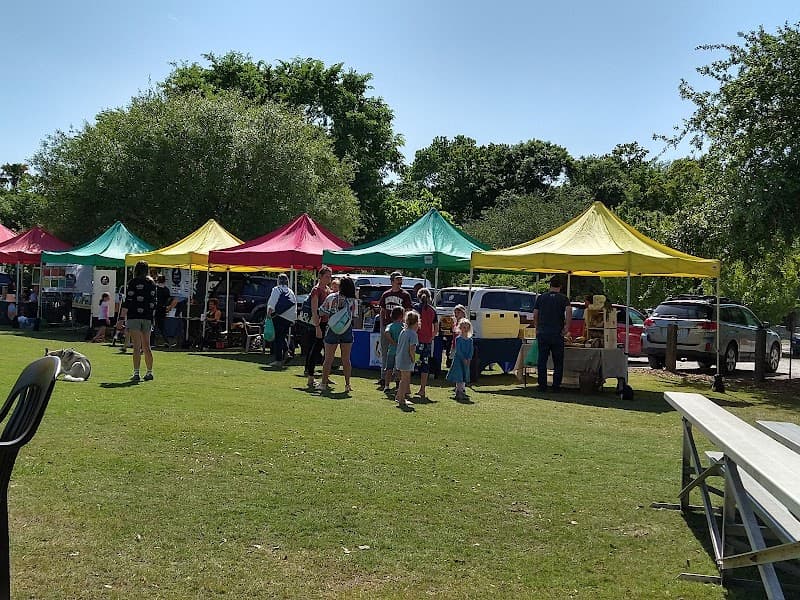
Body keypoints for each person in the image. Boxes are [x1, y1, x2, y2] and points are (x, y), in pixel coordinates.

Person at [119, 260, 157, 382]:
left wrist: (120, 318)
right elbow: (153, 301)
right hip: (147, 316)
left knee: (136, 346)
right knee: (147, 345)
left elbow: (128, 301)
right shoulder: (152, 283)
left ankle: (136, 373)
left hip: (134, 315)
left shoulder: (133, 282)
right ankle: (149, 372)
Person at [532, 275, 571, 392]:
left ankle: (542, 385)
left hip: (543, 332)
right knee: (558, 361)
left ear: (550, 285)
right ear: (560, 286)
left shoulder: (541, 298)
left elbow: (535, 314)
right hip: (557, 333)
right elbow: (569, 313)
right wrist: (566, 327)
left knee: (542, 360)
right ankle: (556, 386)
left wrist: (537, 327)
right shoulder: (564, 298)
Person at [319, 276, 357, 394]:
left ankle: (324, 383)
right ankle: (347, 384)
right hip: (346, 329)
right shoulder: (353, 301)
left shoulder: (331, 297)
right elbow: (354, 316)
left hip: (332, 329)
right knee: (346, 359)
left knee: (328, 359)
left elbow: (321, 311)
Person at [378, 272, 412, 386]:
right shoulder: (386, 294)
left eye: (401, 279)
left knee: (399, 353)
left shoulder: (405, 295)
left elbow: (408, 311)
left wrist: (405, 326)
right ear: (392, 281)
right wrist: (382, 325)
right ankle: (384, 378)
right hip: (387, 326)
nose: (400, 282)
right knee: (385, 352)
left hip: (400, 328)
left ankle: (398, 379)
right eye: (398, 279)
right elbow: (382, 310)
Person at [305, 266, 333, 388]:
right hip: (318, 323)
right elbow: (314, 309)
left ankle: (325, 376)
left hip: (326, 323)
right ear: (320, 277)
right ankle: (310, 376)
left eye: (330, 276)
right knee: (315, 349)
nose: (329, 279)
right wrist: (317, 327)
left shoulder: (327, 290)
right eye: (326, 276)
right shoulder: (316, 290)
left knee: (325, 350)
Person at [266, 273, 297, 367]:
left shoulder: (277, 289)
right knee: (282, 335)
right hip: (289, 318)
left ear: (278, 281)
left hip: (280, 316)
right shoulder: (290, 291)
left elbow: (272, 302)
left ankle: (278, 360)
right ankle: (288, 352)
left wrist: (269, 314)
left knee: (278, 338)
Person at [413, 288, 438, 400]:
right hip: (427, 342)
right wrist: (431, 337)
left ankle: (406, 388)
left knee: (412, 362)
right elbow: (436, 328)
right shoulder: (433, 310)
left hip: (416, 341)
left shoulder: (416, 308)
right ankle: (422, 389)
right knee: (425, 365)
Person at [394, 310, 419, 409]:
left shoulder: (403, 331)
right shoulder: (413, 334)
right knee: (405, 380)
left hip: (400, 357)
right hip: (406, 359)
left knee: (403, 379)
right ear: (416, 322)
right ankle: (401, 398)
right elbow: (412, 349)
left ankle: (399, 396)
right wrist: (414, 359)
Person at [447, 318, 474, 400]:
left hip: (467, 360)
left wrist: (469, 358)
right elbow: (458, 350)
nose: (465, 329)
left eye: (467, 328)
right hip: (459, 360)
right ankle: (458, 391)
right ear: (460, 328)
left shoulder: (470, 340)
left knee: (464, 375)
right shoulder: (458, 339)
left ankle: (462, 390)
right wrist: (463, 358)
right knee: (459, 375)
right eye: (463, 327)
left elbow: (471, 350)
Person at [382, 306, 405, 393]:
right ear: (401, 316)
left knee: (389, 369)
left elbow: (386, 333)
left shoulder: (390, 325)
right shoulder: (403, 326)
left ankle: (387, 386)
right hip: (400, 351)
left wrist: (392, 342)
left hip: (391, 350)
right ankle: (398, 385)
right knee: (399, 369)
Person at [151, 274, 171, 347]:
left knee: (153, 325)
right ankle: (166, 341)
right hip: (162, 309)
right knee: (162, 326)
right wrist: (165, 306)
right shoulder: (166, 289)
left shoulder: (155, 289)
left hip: (155, 309)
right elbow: (169, 299)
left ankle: (152, 342)